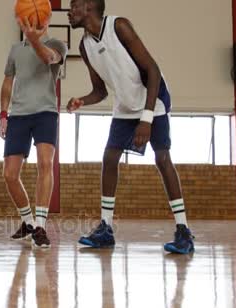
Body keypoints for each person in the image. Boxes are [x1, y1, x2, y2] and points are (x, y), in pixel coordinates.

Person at [66, 0, 194, 254]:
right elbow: (100, 91)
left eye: (74, 6)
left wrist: (146, 118)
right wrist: (83, 100)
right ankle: (105, 229)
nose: (69, 12)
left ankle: (183, 231)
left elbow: (153, 70)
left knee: (162, 158)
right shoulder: (84, 45)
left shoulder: (119, 26)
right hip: (125, 105)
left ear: (89, 7)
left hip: (152, 98)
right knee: (109, 157)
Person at [0, 16, 68, 249]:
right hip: (18, 115)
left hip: (45, 113)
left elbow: (48, 58)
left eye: (40, 22)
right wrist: (3, 115)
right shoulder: (15, 50)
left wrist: (34, 40)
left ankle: (40, 226)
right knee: (9, 174)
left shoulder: (58, 45)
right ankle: (28, 221)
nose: (35, 25)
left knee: (45, 164)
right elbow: (8, 81)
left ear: (47, 22)